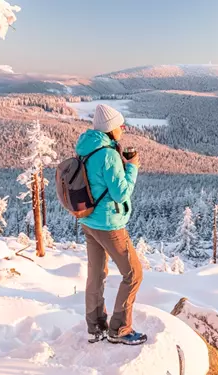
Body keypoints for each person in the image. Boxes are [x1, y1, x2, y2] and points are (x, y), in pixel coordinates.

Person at [75, 104, 146, 345]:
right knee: (133, 273)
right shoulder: (107, 154)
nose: (122, 129)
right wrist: (133, 167)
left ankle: (95, 326)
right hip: (108, 224)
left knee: (96, 274)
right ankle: (120, 329)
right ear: (110, 129)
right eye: (119, 126)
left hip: (89, 220)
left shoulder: (86, 146)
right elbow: (121, 193)